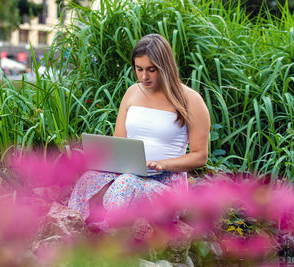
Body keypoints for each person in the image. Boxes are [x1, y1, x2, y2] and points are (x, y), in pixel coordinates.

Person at [68, 34, 210, 228]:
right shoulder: (132, 93)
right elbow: (119, 143)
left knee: (126, 185)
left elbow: (200, 156)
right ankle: (72, 230)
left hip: (166, 183)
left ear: (165, 67)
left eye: (151, 70)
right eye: (139, 69)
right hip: (129, 173)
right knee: (89, 179)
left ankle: (110, 234)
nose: (144, 77)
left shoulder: (191, 100)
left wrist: (161, 164)